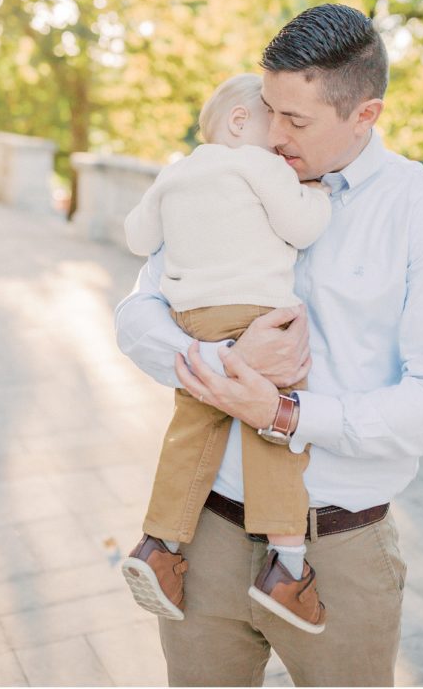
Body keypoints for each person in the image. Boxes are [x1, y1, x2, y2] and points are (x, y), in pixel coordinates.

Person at [115, 3, 423, 688]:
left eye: (296, 120)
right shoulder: (232, 168)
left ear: (364, 115)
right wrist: (222, 367)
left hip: (337, 554)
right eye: (268, 108)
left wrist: (285, 414)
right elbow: (138, 315)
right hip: (205, 539)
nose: (273, 132)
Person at [120, 74, 332, 634]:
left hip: (191, 320)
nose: (283, 141)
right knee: (272, 426)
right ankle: (286, 568)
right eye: (275, 124)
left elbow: (138, 238)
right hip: (254, 313)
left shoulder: (176, 174)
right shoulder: (256, 164)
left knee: (192, 426)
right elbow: (304, 228)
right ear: (241, 122)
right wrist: (316, 194)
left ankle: (158, 546)